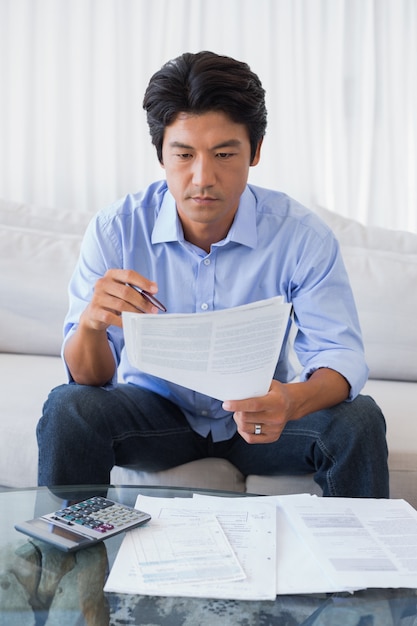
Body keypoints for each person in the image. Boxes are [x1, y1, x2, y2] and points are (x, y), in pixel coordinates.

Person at [37, 51, 389, 497]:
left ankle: (357, 566)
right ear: (161, 154)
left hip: (261, 418)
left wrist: (290, 400)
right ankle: (73, 563)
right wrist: (90, 324)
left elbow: (341, 354)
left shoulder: (301, 236)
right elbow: (90, 380)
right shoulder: (117, 229)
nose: (203, 177)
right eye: (183, 154)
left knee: (359, 418)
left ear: (256, 151)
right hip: (155, 415)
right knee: (69, 408)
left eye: (224, 154)